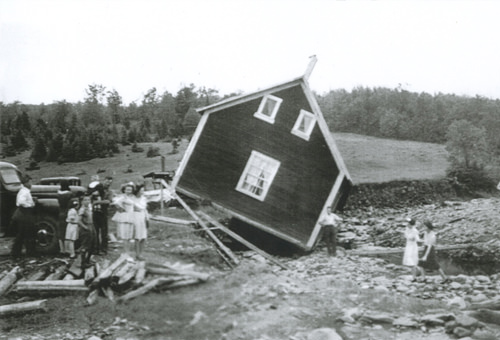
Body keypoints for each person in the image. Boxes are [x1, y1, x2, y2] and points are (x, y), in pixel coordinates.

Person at [11, 175, 37, 257]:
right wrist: (30, 205)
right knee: (28, 233)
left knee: (21, 234)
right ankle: (30, 252)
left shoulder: (24, 190)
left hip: (22, 214)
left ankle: (16, 253)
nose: (31, 184)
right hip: (24, 214)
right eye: (30, 182)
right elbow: (21, 202)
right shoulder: (24, 191)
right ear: (26, 183)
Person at [89, 176, 113, 254]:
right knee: (95, 231)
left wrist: (98, 202)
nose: (108, 183)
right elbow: (89, 197)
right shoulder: (97, 188)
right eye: (107, 181)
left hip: (103, 212)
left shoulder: (109, 191)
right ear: (104, 180)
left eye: (110, 182)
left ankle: (103, 249)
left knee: (104, 232)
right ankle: (95, 248)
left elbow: (108, 201)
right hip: (95, 212)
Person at [112, 182, 136, 254]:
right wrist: (120, 208)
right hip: (124, 217)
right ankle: (126, 251)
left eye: (130, 190)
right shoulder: (122, 197)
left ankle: (127, 251)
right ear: (124, 190)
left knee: (129, 235)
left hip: (131, 216)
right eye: (127, 190)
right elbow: (115, 202)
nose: (129, 191)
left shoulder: (132, 197)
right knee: (124, 235)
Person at [78, 194, 96, 268]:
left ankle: (88, 260)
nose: (87, 201)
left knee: (92, 244)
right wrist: (85, 227)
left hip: (91, 226)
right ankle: (83, 263)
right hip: (86, 228)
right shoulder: (82, 209)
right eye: (85, 200)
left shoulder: (88, 208)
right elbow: (78, 220)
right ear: (82, 201)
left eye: (88, 200)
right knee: (85, 245)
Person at [132, 184, 149, 260]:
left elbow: (145, 209)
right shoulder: (133, 198)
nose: (143, 192)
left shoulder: (144, 198)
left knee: (143, 236)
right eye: (141, 190)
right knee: (137, 236)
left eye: (143, 190)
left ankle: (141, 254)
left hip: (143, 216)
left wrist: (147, 218)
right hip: (136, 217)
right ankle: (137, 254)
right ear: (138, 191)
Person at [57, 179, 73, 255]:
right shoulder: (69, 194)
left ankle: (61, 249)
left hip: (61, 213)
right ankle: (67, 250)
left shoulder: (58, 193)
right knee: (68, 232)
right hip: (67, 213)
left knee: (61, 232)